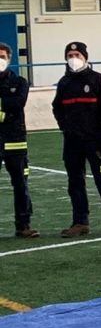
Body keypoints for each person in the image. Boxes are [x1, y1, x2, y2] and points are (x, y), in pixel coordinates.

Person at [52, 42, 101, 237]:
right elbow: (57, 107)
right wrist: (65, 127)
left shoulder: (98, 80)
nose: (73, 58)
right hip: (72, 143)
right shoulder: (64, 83)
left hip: (96, 142)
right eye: (69, 54)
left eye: (76, 54)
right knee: (75, 183)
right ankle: (80, 222)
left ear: (85, 56)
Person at [0, 43, 37, 238]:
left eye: (2, 56)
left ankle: (23, 225)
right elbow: (10, 105)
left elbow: (17, 104)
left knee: (21, 183)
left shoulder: (20, 82)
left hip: (15, 140)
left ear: (9, 59)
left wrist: (7, 107)